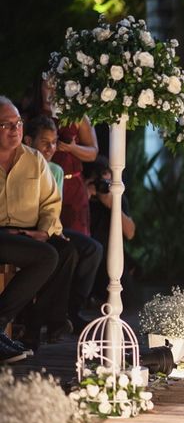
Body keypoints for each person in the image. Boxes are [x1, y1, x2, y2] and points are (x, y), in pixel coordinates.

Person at [0, 96, 75, 358]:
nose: (15, 129)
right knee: (46, 256)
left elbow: (51, 202)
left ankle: (32, 328)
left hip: (28, 231)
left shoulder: (34, 159)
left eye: (18, 123)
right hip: (2, 235)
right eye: (6, 125)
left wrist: (43, 230)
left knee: (65, 251)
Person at [23, 115, 103, 331]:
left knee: (90, 248)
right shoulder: (21, 164)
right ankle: (42, 320)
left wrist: (51, 230)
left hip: (47, 227)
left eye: (54, 143)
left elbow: (52, 208)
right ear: (29, 142)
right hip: (24, 227)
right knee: (64, 252)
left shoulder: (55, 170)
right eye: (45, 142)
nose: (50, 148)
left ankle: (70, 311)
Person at [25, 75, 98, 235]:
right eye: (48, 86)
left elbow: (93, 152)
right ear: (40, 88)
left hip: (72, 185)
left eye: (56, 86)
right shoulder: (30, 116)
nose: (52, 91)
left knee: (78, 238)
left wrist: (72, 148)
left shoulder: (76, 115)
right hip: (41, 182)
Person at [83, 156, 136, 305]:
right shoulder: (81, 195)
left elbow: (130, 233)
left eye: (106, 175)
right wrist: (84, 194)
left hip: (111, 256)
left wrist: (112, 205)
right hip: (88, 255)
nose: (102, 181)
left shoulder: (117, 199)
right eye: (97, 177)